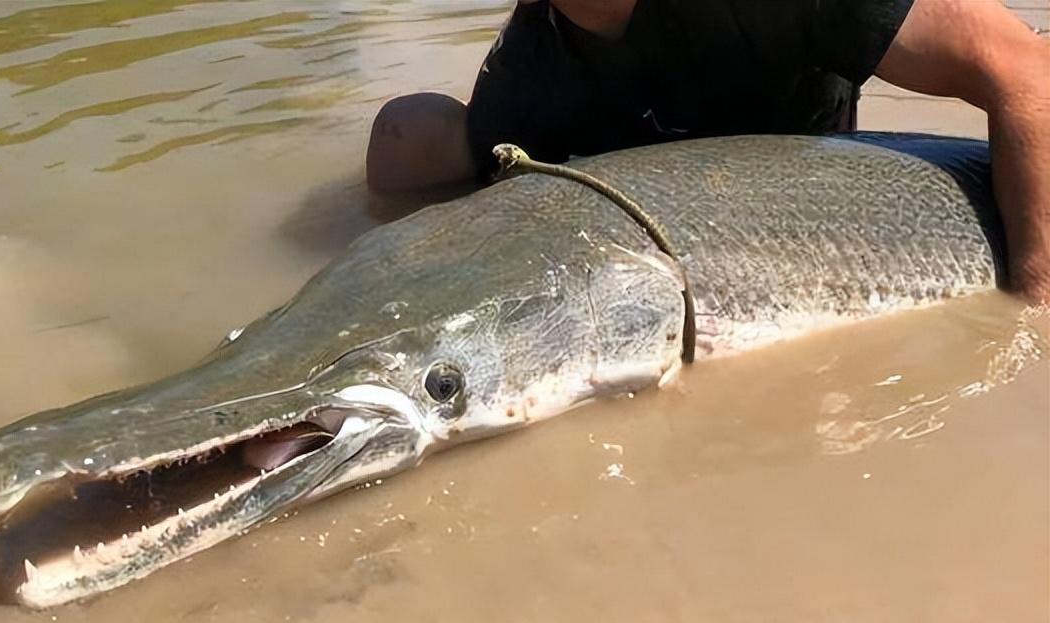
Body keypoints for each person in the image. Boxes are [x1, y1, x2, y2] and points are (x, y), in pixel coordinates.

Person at [365, 0, 1050, 301]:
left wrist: (1032, 313)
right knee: (410, 132)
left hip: (822, 199)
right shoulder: (529, 72)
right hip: (666, 212)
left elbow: (1026, 71)